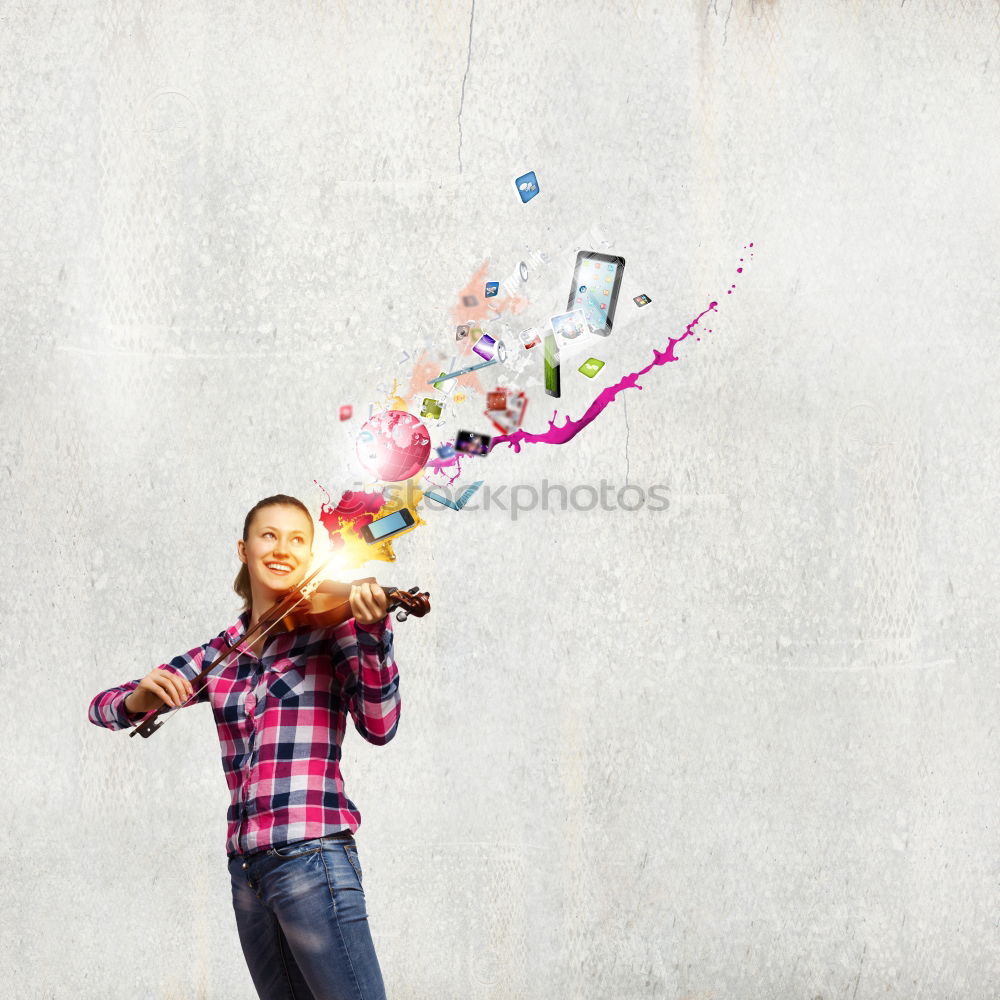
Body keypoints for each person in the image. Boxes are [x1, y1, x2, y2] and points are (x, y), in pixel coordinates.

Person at [88, 494, 399, 1000]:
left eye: (298, 539)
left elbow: (381, 725)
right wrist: (141, 697)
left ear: (311, 553)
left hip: (312, 856)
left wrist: (374, 633)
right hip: (247, 873)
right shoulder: (223, 651)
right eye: (269, 535)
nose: (283, 548)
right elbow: (101, 708)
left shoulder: (333, 626)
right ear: (244, 548)